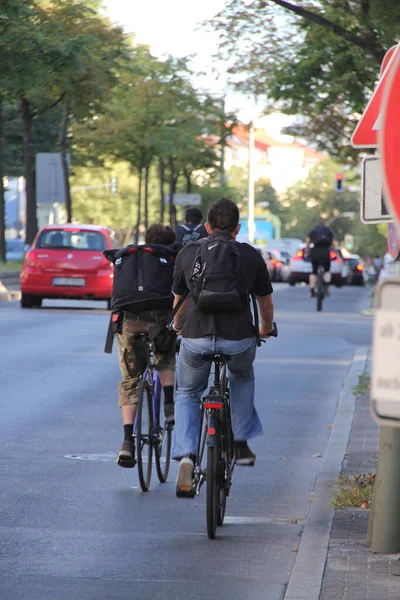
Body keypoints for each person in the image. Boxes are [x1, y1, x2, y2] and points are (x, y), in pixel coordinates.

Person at [171, 198, 275, 496]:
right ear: (237, 228)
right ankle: (241, 442)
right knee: (241, 375)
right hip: (238, 338)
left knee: (188, 392)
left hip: (196, 336)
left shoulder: (189, 252)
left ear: (206, 226)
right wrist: (265, 329)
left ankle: (188, 455)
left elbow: (179, 299)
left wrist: (179, 326)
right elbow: (264, 301)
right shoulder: (250, 255)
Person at [116, 224, 177, 468]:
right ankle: (169, 405)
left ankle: (127, 442)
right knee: (165, 352)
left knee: (131, 379)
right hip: (160, 322)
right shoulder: (172, 259)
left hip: (129, 321)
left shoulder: (129, 257)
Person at [306, 220, 334, 297]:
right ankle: (326, 287)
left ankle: (312, 289)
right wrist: (333, 250)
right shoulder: (328, 231)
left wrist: (307, 250)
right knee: (327, 270)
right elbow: (332, 243)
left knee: (314, 272)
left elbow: (308, 241)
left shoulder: (313, 231)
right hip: (325, 252)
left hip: (315, 252)